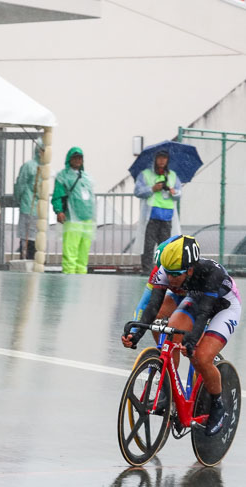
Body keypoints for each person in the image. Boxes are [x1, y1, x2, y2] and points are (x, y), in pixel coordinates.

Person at [122, 236, 241, 436]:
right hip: (195, 299)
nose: (170, 278)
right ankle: (167, 390)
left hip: (224, 308)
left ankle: (218, 406)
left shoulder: (211, 273)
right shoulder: (166, 271)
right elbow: (153, 306)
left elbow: (204, 313)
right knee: (169, 333)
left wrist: (192, 341)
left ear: (190, 269)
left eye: (175, 274)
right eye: (167, 273)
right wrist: (136, 335)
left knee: (201, 357)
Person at [135, 149, 182, 274]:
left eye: (164, 158)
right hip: (151, 214)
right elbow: (138, 191)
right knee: (149, 245)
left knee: (165, 246)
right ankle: (147, 269)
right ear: (155, 159)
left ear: (167, 160)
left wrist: (173, 191)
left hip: (167, 215)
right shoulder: (146, 174)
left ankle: (162, 270)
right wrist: (152, 188)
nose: (162, 161)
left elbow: (179, 193)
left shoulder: (172, 175)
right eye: (159, 158)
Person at [51, 147, 96, 274]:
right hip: (72, 219)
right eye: (75, 157)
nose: (77, 160)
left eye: (80, 158)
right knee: (70, 252)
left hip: (87, 219)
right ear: (69, 159)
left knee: (83, 254)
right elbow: (57, 196)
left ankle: (80, 278)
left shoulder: (86, 177)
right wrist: (59, 210)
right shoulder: (63, 177)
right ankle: (69, 278)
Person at [14, 139, 43, 260]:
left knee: (35, 241)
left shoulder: (44, 168)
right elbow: (20, 185)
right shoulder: (29, 166)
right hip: (28, 207)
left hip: (38, 210)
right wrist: (20, 199)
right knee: (28, 241)